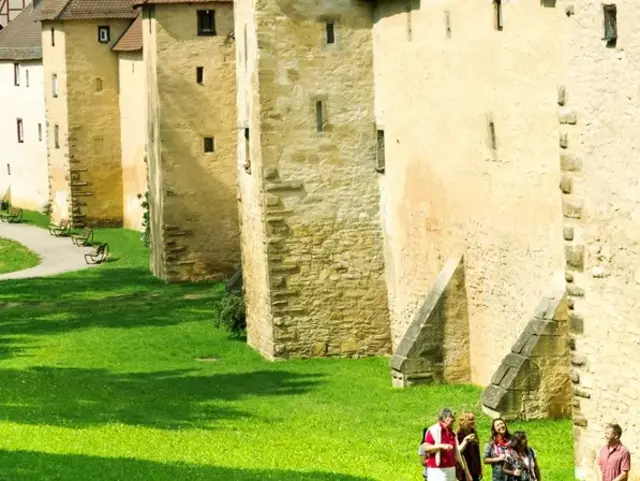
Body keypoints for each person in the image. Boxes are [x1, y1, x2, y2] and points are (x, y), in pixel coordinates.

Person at [420, 408, 473, 481]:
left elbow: (457, 453)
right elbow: (426, 448)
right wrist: (441, 446)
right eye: (452, 419)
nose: (454, 421)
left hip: (451, 469)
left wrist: (466, 472)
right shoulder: (433, 430)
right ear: (445, 418)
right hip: (437, 471)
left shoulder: (452, 433)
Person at [457, 411, 483, 481]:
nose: (473, 421)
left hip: (475, 470)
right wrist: (467, 474)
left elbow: (477, 453)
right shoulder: (460, 435)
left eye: (474, 419)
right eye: (470, 420)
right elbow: (461, 456)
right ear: (463, 421)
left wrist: (480, 469)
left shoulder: (473, 433)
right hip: (466, 472)